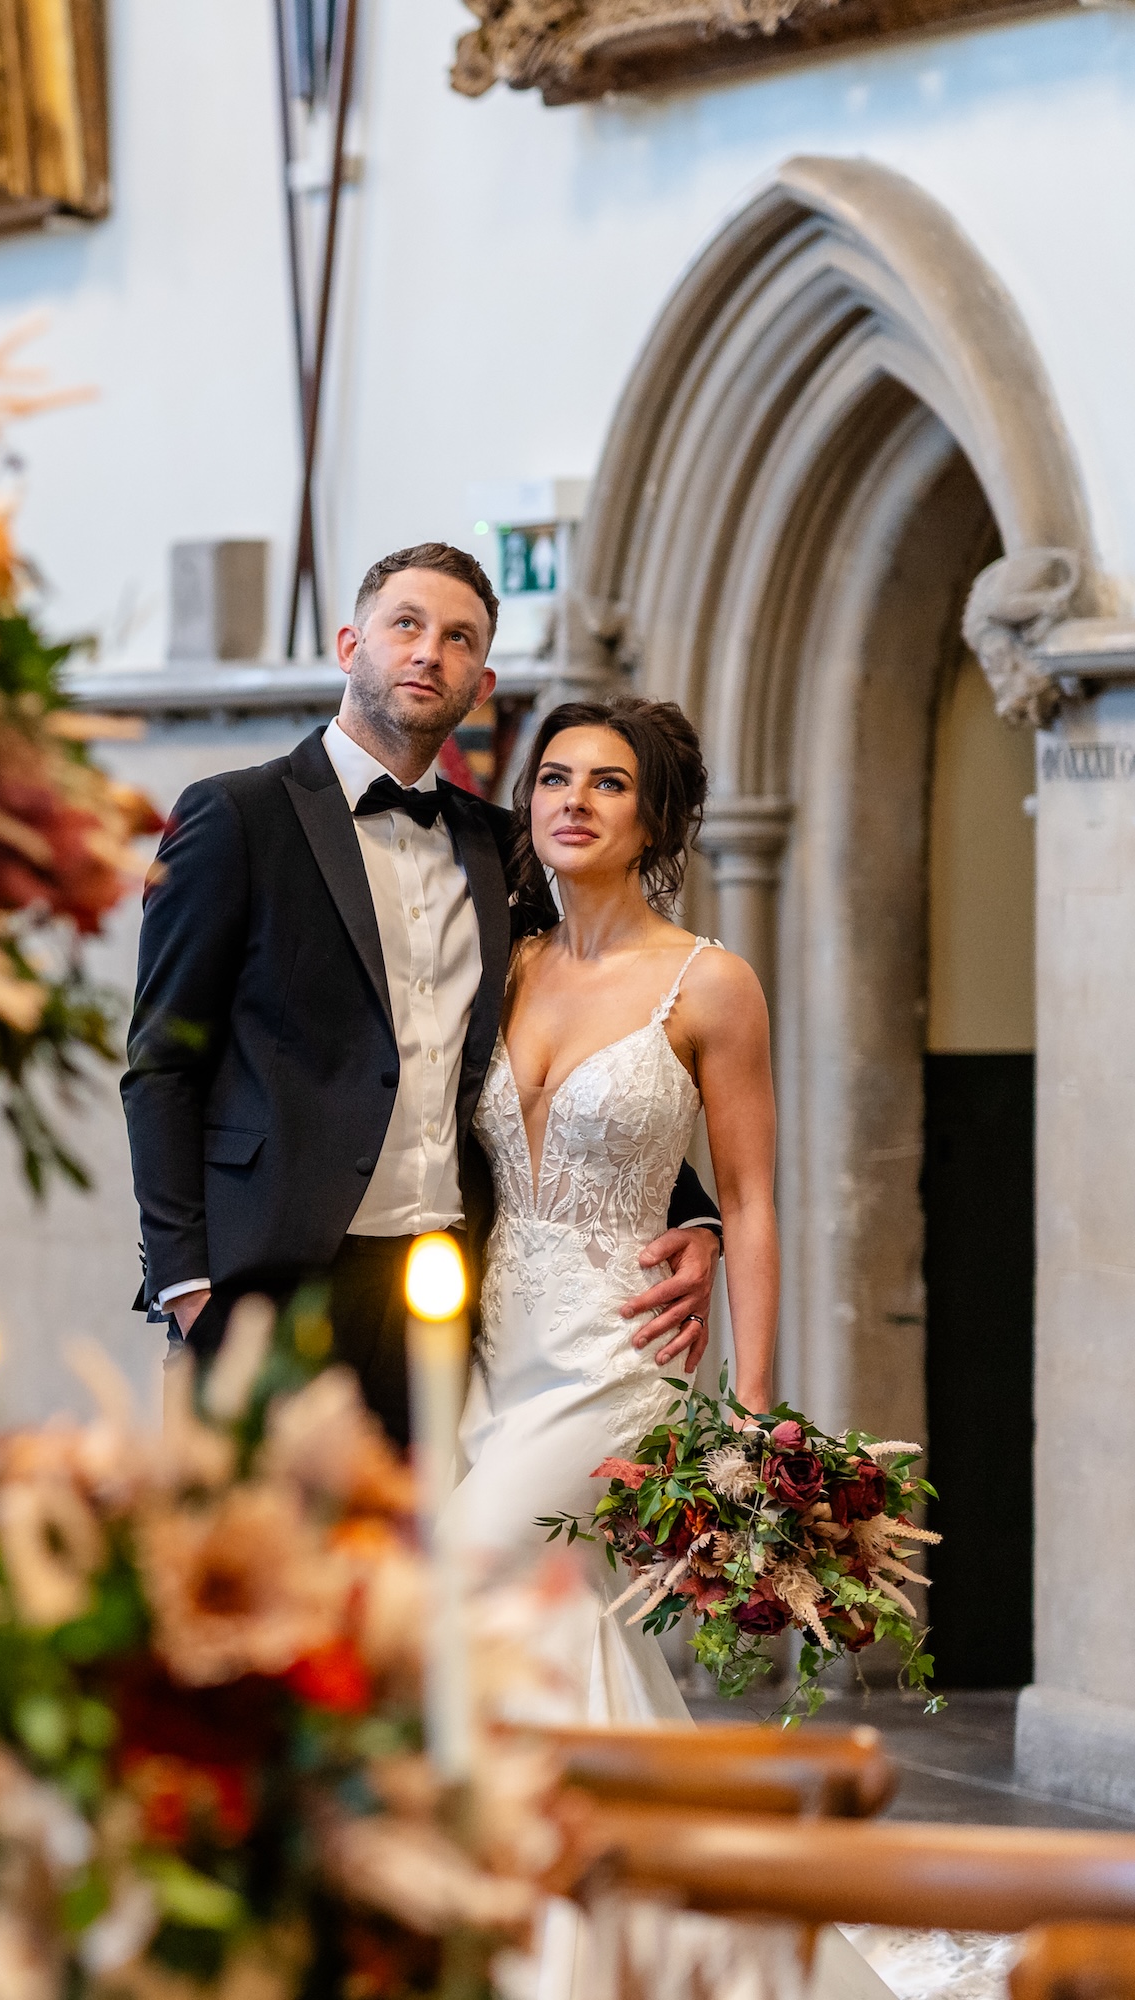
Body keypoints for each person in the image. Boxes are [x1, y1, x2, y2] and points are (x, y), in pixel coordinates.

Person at [122, 543, 719, 1442]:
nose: (427, 652)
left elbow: (567, 1049)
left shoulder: (497, 846)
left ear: (480, 685)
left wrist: (692, 1211)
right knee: (252, 1574)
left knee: (411, 1574)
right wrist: (189, 1287)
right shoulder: (233, 817)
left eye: (458, 639)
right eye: (406, 625)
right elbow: (161, 1063)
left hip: (438, 1293)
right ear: (349, 644)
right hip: (263, 1288)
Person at [440, 695, 773, 1690]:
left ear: (654, 821)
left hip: (620, 1349)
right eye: (554, 777)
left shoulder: (710, 983)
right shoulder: (504, 964)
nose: (574, 798)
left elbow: (750, 1196)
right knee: (547, 1606)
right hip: (491, 1345)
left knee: (461, 1571)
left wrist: (751, 1406)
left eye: (608, 782)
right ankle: (593, 1822)